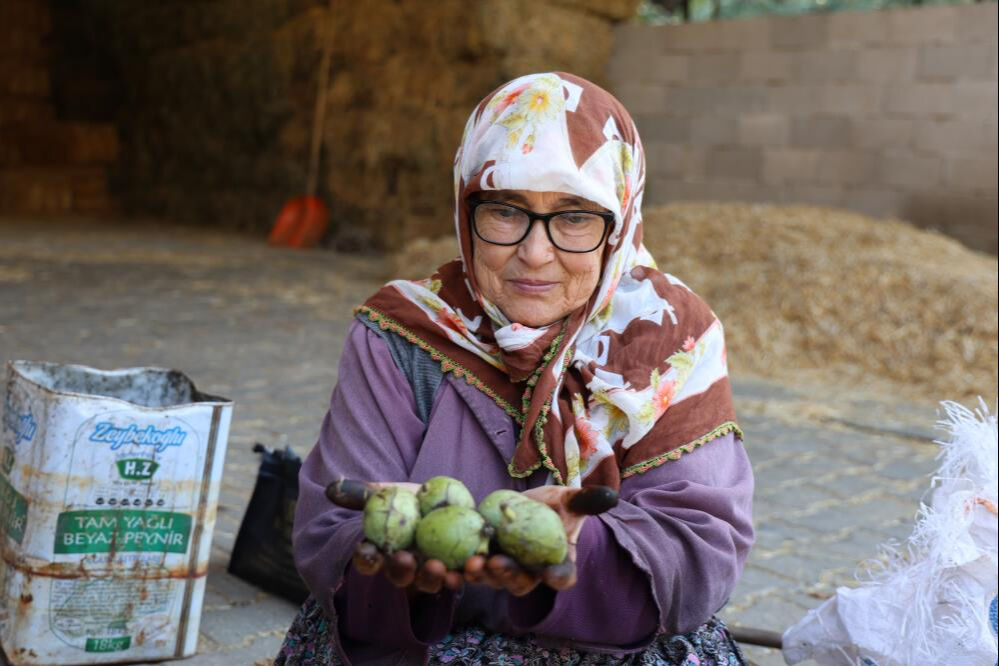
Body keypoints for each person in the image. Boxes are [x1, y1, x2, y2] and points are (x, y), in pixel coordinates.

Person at [276, 72, 754, 665]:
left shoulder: (671, 339)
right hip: (421, 642)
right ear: (465, 206)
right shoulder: (403, 331)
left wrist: (577, 555)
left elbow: (701, 551)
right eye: (505, 210)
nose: (535, 251)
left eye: (576, 216)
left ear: (620, 224)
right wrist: (395, 557)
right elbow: (327, 534)